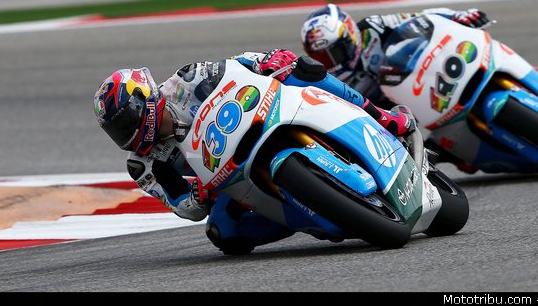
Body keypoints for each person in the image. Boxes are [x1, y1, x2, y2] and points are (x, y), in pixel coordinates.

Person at [93, 49, 415, 255]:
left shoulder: (186, 80)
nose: (126, 135)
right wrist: (197, 196)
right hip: (226, 180)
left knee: (301, 68)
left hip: (259, 115)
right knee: (223, 233)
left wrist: (267, 60)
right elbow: (180, 205)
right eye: (116, 132)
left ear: (144, 100)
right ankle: (312, 215)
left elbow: (236, 65)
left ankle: (381, 116)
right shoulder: (143, 164)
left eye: (126, 123)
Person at [299, 3, 538, 173]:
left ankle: (527, 73)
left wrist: (458, 16)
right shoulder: (337, 80)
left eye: (335, 52)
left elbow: (422, 19)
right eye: (322, 58)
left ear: (350, 34)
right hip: (398, 112)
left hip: (422, 78)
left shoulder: (374, 27)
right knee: (453, 159)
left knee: (485, 48)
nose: (332, 62)